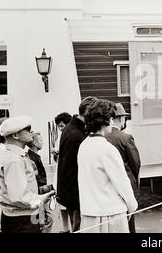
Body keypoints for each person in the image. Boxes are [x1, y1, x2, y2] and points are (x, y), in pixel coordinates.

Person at [78, 99, 138, 233]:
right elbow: (122, 183)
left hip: (90, 213)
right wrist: (132, 206)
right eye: (110, 118)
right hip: (110, 215)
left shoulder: (83, 145)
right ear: (103, 121)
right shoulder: (107, 149)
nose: (112, 122)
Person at [0, 115, 54, 233]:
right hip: (21, 220)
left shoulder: (15, 156)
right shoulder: (14, 160)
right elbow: (19, 196)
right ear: (15, 135)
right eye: (27, 129)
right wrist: (40, 199)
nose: (31, 132)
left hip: (22, 216)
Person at [57, 96, 97, 232]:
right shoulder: (76, 136)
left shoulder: (72, 129)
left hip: (72, 196)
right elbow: (71, 171)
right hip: (76, 197)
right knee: (79, 228)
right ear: (87, 112)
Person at [105, 102, 141, 233]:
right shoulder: (125, 137)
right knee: (129, 222)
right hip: (125, 184)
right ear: (120, 118)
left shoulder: (103, 136)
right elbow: (135, 163)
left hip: (108, 186)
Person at [26, 132, 54, 233]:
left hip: (38, 192)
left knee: (38, 219)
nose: (43, 143)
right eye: (41, 140)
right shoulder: (32, 158)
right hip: (39, 193)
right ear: (34, 143)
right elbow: (37, 177)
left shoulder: (34, 156)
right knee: (45, 220)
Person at [53, 112, 72, 233]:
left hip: (68, 173)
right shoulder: (59, 138)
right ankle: (65, 228)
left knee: (69, 204)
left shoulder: (72, 136)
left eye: (61, 126)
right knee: (61, 203)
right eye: (59, 126)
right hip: (59, 172)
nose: (60, 129)